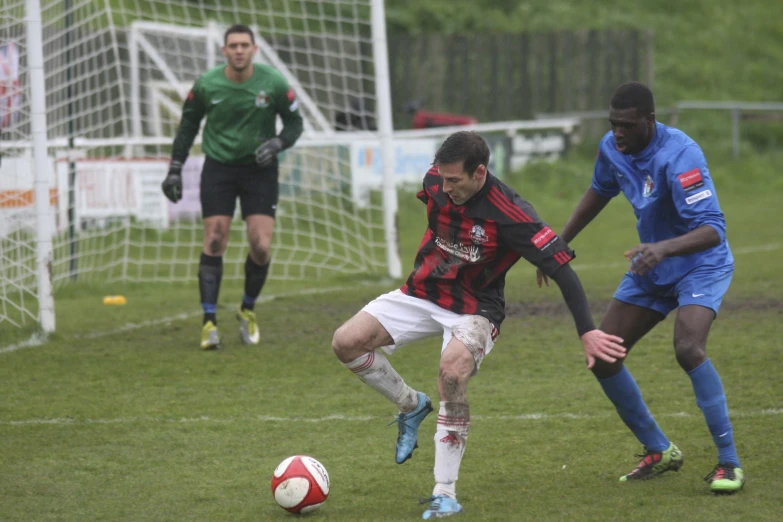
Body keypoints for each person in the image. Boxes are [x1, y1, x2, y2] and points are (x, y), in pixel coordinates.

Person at [332, 131, 625, 519]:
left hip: (475, 308)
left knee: (451, 373)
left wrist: (587, 330)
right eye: (442, 177)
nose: (445, 186)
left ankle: (445, 492)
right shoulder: (435, 181)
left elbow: (564, 273)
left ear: (480, 172)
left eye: (455, 180)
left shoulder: (512, 213)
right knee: (345, 342)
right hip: (422, 292)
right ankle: (410, 404)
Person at [537, 81, 744, 494]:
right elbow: (600, 189)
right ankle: (659, 449)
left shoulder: (681, 155)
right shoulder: (613, 147)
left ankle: (730, 463)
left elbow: (713, 230)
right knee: (604, 355)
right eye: (613, 124)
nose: (618, 133)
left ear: (650, 121)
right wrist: (563, 240)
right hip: (652, 266)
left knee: (688, 348)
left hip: (699, 265)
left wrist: (664, 248)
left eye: (627, 126)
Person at [161, 24, 303, 350]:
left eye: (244, 45)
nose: (239, 50)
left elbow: (296, 123)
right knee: (214, 239)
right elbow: (187, 128)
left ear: (254, 49)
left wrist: (279, 142)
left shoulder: (274, 83)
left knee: (261, 246)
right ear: (224, 51)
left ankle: (247, 310)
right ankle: (209, 322)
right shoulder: (208, 85)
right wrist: (175, 170)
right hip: (219, 168)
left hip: (260, 170)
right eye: (233, 45)